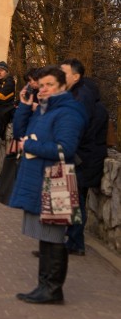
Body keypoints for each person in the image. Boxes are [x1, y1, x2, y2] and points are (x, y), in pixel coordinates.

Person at [8, 66, 86, 304]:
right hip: (43, 177)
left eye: (49, 85)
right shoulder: (45, 110)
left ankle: (52, 289)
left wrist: (30, 147)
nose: (44, 89)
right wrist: (23, 105)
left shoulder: (67, 113)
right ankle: (45, 286)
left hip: (56, 179)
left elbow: (64, 149)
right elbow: (20, 132)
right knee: (46, 236)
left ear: (63, 86)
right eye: (41, 85)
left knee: (53, 236)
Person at [59, 58, 109, 257]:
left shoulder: (83, 100)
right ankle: (71, 240)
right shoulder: (79, 96)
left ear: (76, 76)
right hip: (82, 158)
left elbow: (81, 133)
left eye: (64, 73)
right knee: (73, 200)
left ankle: (76, 242)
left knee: (76, 201)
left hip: (84, 160)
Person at [0, 68, 41, 203]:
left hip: (30, 138)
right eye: (29, 81)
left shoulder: (42, 97)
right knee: (10, 163)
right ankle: (0, 189)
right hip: (23, 135)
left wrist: (32, 107)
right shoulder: (31, 93)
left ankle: (2, 192)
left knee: (13, 165)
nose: (32, 83)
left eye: (33, 80)